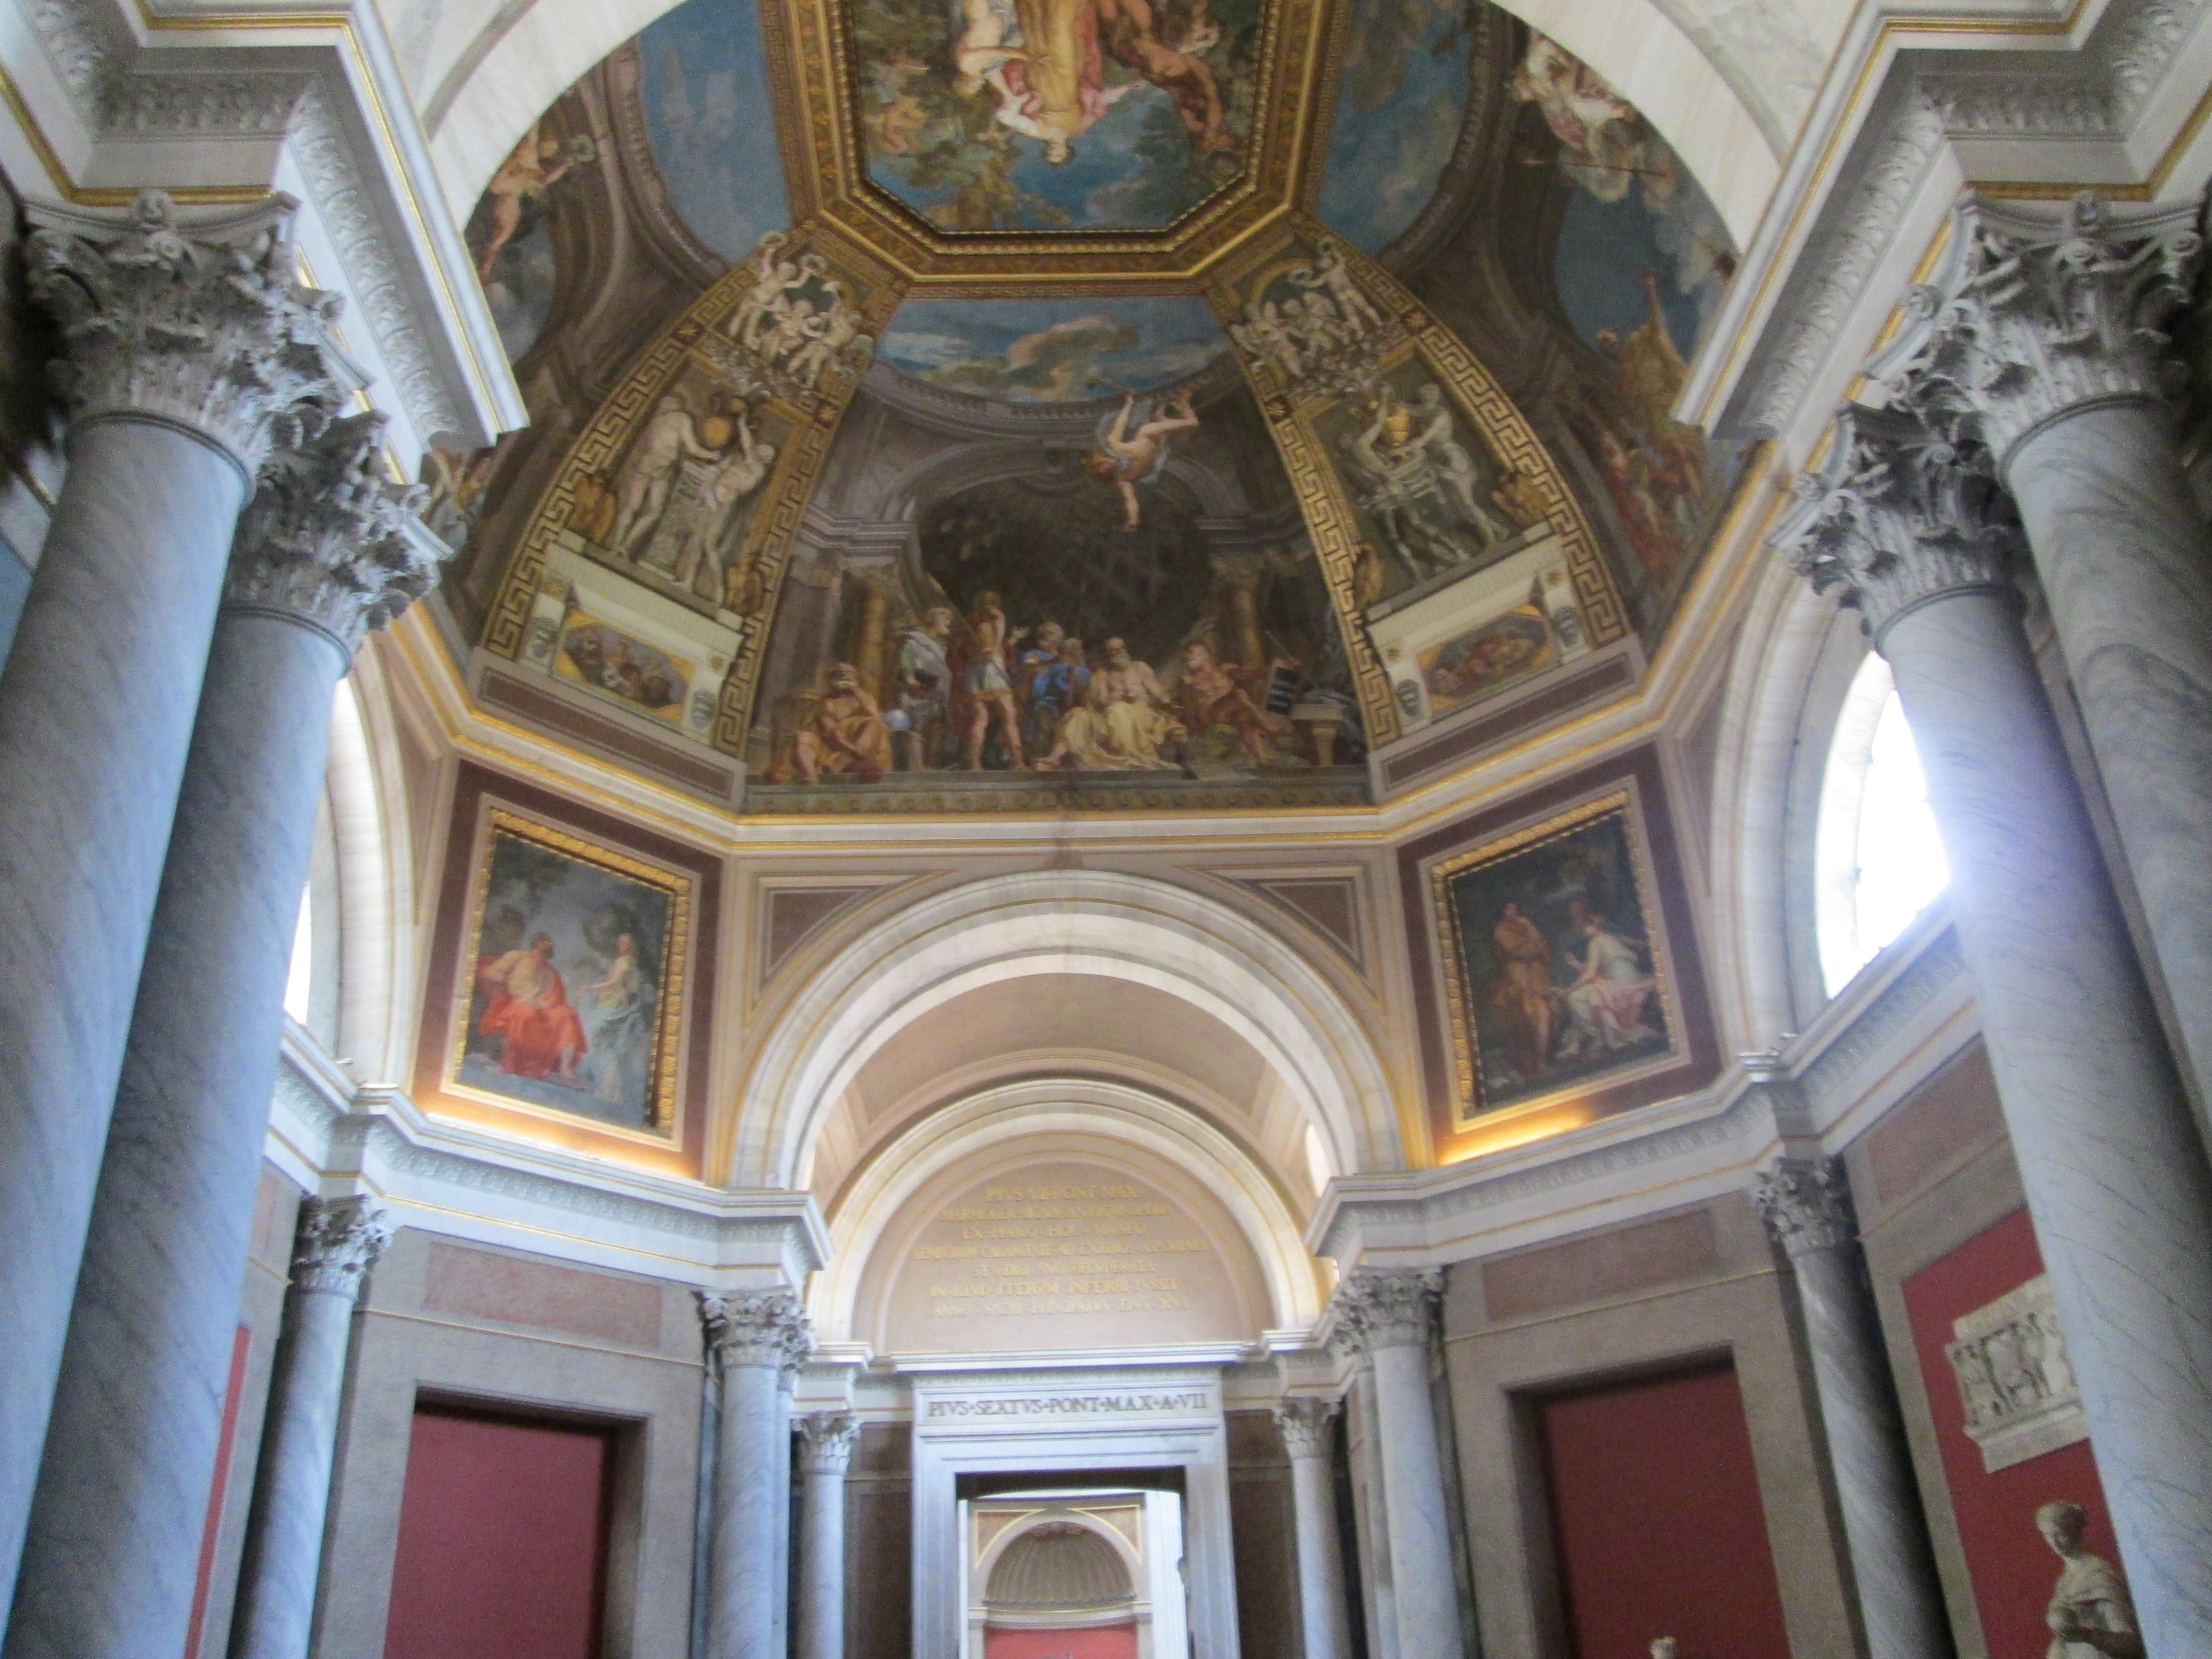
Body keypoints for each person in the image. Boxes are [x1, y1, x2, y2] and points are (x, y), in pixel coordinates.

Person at [610, 397, 720, 559]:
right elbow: (693, 449)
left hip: (648, 466)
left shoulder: (657, 421)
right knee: (652, 512)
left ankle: (617, 545)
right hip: (661, 469)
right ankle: (624, 546)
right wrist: (712, 455)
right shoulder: (681, 418)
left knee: (632, 508)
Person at [475, 933, 589, 1083]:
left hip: (542, 1009)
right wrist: (505, 980)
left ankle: (565, 1069)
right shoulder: (518, 957)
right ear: (537, 944)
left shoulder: (550, 972)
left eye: (551, 945)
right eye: (546, 943)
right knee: (527, 1012)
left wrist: (543, 1004)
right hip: (516, 1004)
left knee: (568, 1014)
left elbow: (554, 999)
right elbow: (492, 972)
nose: (550, 946)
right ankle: (511, 1062)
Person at [2036, 1501, 2142, 1658]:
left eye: (2060, 1534)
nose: (2054, 1542)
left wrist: (2084, 1635)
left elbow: (2130, 1643)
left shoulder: (2099, 1575)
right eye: (2048, 1535)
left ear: (2074, 1531)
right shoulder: (2064, 1581)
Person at [1087, 390, 1200, 530]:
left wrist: (1128, 405)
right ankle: (1161, 415)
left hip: (1149, 432)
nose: (1105, 464)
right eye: (1103, 469)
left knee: (1193, 423)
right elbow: (1130, 500)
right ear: (1107, 475)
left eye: (1101, 463)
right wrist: (1133, 520)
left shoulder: (1114, 445)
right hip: (1158, 448)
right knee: (1183, 430)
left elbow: (1121, 424)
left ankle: (1183, 402)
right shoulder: (1124, 479)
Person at [1174, 639, 1290, 768]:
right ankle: (1269, 728)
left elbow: (1254, 673)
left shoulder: (1224, 670)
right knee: (1238, 694)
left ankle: (1261, 761)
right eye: (1186, 654)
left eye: (1191, 652)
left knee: (1244, 720)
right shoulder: (1189, 681)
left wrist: (1287, 668)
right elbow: (1189, 710)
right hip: (1212, 717)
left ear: (1204, 653)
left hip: (1231, 716)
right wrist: (1195, 732)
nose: (1188, 657)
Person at [1559, 909, 1656, 1054]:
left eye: (1586, 926)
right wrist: (1576, 964)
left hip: (1620, 986)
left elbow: (1590, 976)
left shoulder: (1595, 943)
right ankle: (1592, 1039)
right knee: (1594, 993)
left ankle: (1598, 1036)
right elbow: (1600, 969)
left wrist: (1567, 991)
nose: (1584, 931)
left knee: (1575, 998)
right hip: (1632, 980)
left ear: (1594, 926)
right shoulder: (1611, 939)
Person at [781, 662, 892, 784]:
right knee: (803, 737)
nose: (844, 677)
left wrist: (856, 691)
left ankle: (850, 764)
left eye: (848, 674)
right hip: (832, 746)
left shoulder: (864, 699)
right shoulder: (826, 703)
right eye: (839, 674)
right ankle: (811, 779)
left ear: (855, 678)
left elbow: (875, 716)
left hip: (860, 751)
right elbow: (829, 732)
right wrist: (849, 748)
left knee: (873, 725)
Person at [582, 934, 652, 1110]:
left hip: (614, 1008)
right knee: (609, 1048)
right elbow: (629, 986)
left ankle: (609, 1090)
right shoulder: (630, 963)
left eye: (625, 943)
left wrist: (591, 989)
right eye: (620, 943)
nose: (621, 946)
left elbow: (614, 983)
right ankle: (610, 1090)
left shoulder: (625, 962)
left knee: (597, 1039)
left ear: (631, 946)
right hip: (618, 1007)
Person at [960, 591, 1027, 770]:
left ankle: (975, 764)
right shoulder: (994, 614)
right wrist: (995, 647)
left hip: (973, 668)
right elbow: (998, 635)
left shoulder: (970, 621)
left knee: (980, 717)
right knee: (1008, 715)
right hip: (991, 666)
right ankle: (1018, 761)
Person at [1490, 902, 1556, 1080]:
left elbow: (1545, 953)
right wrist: (1534, 941)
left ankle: (1542, 1062)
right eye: (1508, 909)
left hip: (1537, 978)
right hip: (1519, 978)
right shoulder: (1502, 929)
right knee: (1529, 1018)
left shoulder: (1526, 926)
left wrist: (1532, 932)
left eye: (1514, 908)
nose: (1513, 912)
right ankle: (1535, 1065)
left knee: (1547, 1014)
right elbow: (1520, 949)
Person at [886, 605, 955, 769]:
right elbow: (907, 660)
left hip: (937, 692)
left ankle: (930, 765)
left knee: (936, 726)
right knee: (915, 726)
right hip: (918, 689)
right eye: (944, 617)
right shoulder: (915, 640)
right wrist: (910, 680)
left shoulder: (940, 646)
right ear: (932, 619)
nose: (948, 621)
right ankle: (916, 767)